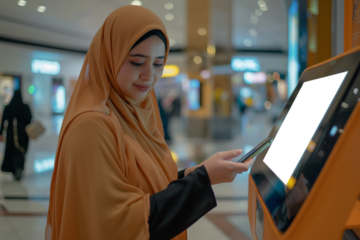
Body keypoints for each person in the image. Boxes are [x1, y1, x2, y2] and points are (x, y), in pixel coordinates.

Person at [45, 6, 254, 240]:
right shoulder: (92, 126)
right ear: (109, 57)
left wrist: (189, 175)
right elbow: (118, 224)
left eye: (157, 64)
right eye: (136, 62)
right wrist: (201, 181)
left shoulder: (134, 115)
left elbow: (140, 184)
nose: (149, 75)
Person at [0, 90, 32, 181]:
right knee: (21, 151)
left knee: (11, 151)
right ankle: (19, 167)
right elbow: (30, 119)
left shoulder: (8, 107)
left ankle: (14, 169)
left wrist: (1, 133)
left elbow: (3, 122)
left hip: (11, 134)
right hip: (23, 134)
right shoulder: (25, 107)